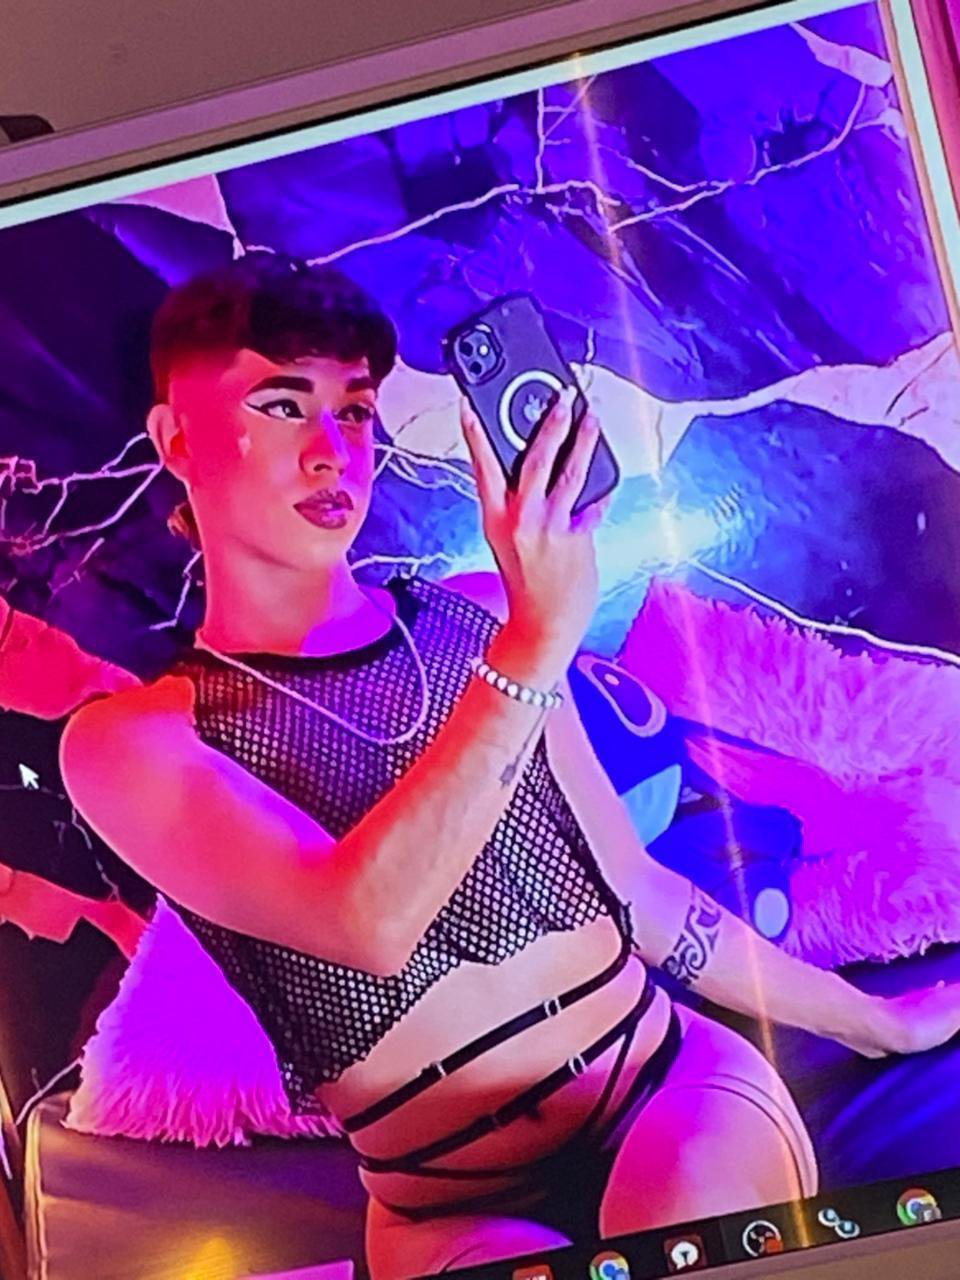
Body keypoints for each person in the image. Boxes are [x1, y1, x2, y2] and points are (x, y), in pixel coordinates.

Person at [60, 255, 960, 1279]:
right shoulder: (134, 741)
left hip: (666, 1092)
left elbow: (640, 894)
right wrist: (534, 646)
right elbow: (365, 924)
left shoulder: (481, 616)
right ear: (177, 438)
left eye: (355, 410)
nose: (331, 451)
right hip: (445, 1201)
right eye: (281, 403)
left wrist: (877, 1023)